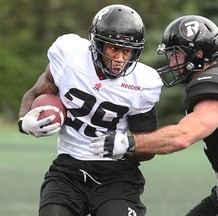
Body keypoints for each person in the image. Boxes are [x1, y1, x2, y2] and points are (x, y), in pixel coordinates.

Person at [90, 15, 218, 216]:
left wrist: (127, 143)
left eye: (176, 54)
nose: (172, 61)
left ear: (198, 54)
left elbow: (182, 137)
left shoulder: (215, 91)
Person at [17, 4, 163, 216]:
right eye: (114, 48)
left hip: (116, 175)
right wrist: (24, 122)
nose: (120, 59)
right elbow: (33, 93)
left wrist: (127, 147)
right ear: (98, 44)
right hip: (69, 168)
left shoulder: (143, 82)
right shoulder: (69, 56)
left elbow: (148, 147)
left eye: (127, 50)